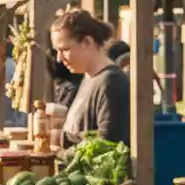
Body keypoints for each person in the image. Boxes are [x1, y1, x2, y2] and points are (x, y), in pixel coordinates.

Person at [51, 9, 131, 148]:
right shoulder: (89, 77)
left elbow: (109, 143)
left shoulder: (112, 83)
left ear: (87, 42)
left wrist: (60, 138)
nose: (59, 58)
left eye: (65, 49)